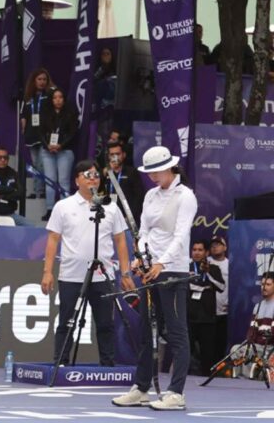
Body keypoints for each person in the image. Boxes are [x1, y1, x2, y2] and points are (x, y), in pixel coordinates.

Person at [112, 146, 198, 411]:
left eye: (155, 171)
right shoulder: (150, 195)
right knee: (147, 331)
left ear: (169, 168)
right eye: (148, 172)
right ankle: (141, 388)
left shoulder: (186, 196)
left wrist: (162, 262)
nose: (151, 177)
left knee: (175, 332)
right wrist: (143, 257)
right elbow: (145, 230)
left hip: (173, 272)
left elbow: (181, 234)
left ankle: (176, 393)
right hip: (151, 270)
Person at [42, 160, 130, 367]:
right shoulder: (63, 206)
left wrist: (125, 274)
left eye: (96, 175)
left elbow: (120, 241)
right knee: (66, 322)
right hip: (71, 275)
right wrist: (47, 271)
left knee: (105, 324)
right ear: (76, 180)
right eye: (87, 174)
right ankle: (60, 363)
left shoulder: (110, 207)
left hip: (103, 274)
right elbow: (53, 239)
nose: (93, 178)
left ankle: (108, 365)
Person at [187, 240, 225, 376]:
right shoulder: (186, 268)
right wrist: (205, 287)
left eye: (200, 250)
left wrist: (208, 274)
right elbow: (186, 287)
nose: (197, 252)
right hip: (189, 317)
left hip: (208, 318)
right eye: (194, 250)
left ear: (206, 252)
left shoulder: (214, 268)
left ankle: (206, 379)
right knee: (186, 351)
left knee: (207, 353)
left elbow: (221, 287)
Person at [39, 87, 77, 221]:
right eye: (55, 97)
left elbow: (73, 133)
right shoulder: (45, 113)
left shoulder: (70, 113)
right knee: (50, 181)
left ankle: (64, 211)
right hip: (48, 150)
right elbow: (41, 132)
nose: (58, 100)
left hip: (65, 150)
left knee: (63, 181)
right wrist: (47, 145)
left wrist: (61, 145)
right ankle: (50, 210)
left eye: (60, 97)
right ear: (51, 100)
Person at [228, 272, 274, 378]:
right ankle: (240, 378)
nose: (263, 287)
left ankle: (249, 379)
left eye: (268, 284)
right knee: (236, 350)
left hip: (270, 347)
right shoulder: (258, 306)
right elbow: (252, 330)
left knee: (249, 352)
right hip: (257, 346)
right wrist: (250, 343)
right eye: (262, 284)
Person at [21, 68, 54, 199]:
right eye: (39, 79)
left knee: (42, 164)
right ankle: (36, 190)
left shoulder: (50, 95)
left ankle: (43, 190)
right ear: (34, 81)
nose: (42, 82)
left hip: (44, 135)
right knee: (35, 164)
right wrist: (23, 125)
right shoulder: (28, 96)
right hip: (31, 134)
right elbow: (23, 114)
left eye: (44, 79)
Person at [0, 147, 33, 226]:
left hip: (10, 214)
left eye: (5, 158)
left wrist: (3, 196)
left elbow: (21, 192)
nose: (3, 160)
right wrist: (12, 190)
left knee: (30, 226)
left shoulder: (13, 173)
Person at [101, 140, 145, 227]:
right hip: (108, 220)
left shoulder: (132, 172)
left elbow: (139, 197)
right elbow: (97, 195)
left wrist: (129, 217)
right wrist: (104, 175)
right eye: (112, 155)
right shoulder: (104, 173)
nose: (115, 157)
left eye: (118, 154)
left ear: (124, 155)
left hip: (128, 220)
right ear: (108, 156)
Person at [207, 235, 230, 364]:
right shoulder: (205, 262)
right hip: (207, 311)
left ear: (225, 247)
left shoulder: (230, 264)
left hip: (224, 311)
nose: (215, 247)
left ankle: (218, 371)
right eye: (212, 244)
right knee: (207, 345)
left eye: (218, 244)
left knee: (220, 344)